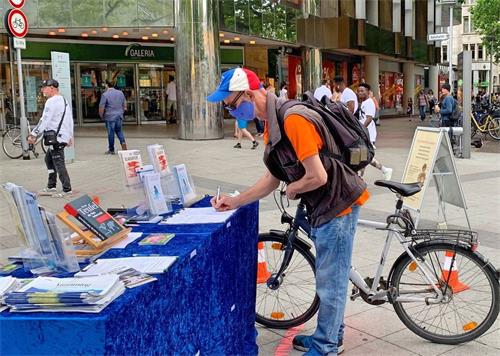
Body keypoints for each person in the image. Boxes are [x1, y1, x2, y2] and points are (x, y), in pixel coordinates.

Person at [207, 67, 369, 355]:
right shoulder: (272, 121)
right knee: (331, 275)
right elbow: (272, 177)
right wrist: (236, 201)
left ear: (249, 94)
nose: (231, 111)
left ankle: (326, 345)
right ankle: (331, 333)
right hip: (325, 204)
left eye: (231, 104)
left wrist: (294, 188)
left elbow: (317, 176)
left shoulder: (292, 120)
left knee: (330, 282)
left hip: (337, 204)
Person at [28, 79, 73, 198]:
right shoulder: (63, 100)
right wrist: (70, 136)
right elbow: (69, 119)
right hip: (61, 136)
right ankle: (51, 186)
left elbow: (44, 120)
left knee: (59, 163)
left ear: (52, 88)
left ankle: (67, 189)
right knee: (49, 159)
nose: (42, 90)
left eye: (44, 87)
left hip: (56, 138)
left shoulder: (51, 101)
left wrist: (33, 134)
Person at [357, 83, 393, 180]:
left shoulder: (369, 102)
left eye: (362, 91)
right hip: (365, 133)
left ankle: (359, 177)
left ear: (368, 92)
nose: (360, 93)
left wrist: (361, 130)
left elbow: (369, 118)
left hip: (368, 134)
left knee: (364, 156)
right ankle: (384, 170)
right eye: (359, 91)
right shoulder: (364, 103)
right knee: (363, 156)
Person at [99, 80, 127, 155]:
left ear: (107, 85)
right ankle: (123, 143)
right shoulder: (120, 93)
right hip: (119, 115)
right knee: (119, 131)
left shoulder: (105, 94)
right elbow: (124, 105)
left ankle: (111, 149)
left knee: (111, 133)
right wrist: (121, 112)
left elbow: (101, 107)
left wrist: (101, 116)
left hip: (110, 116)